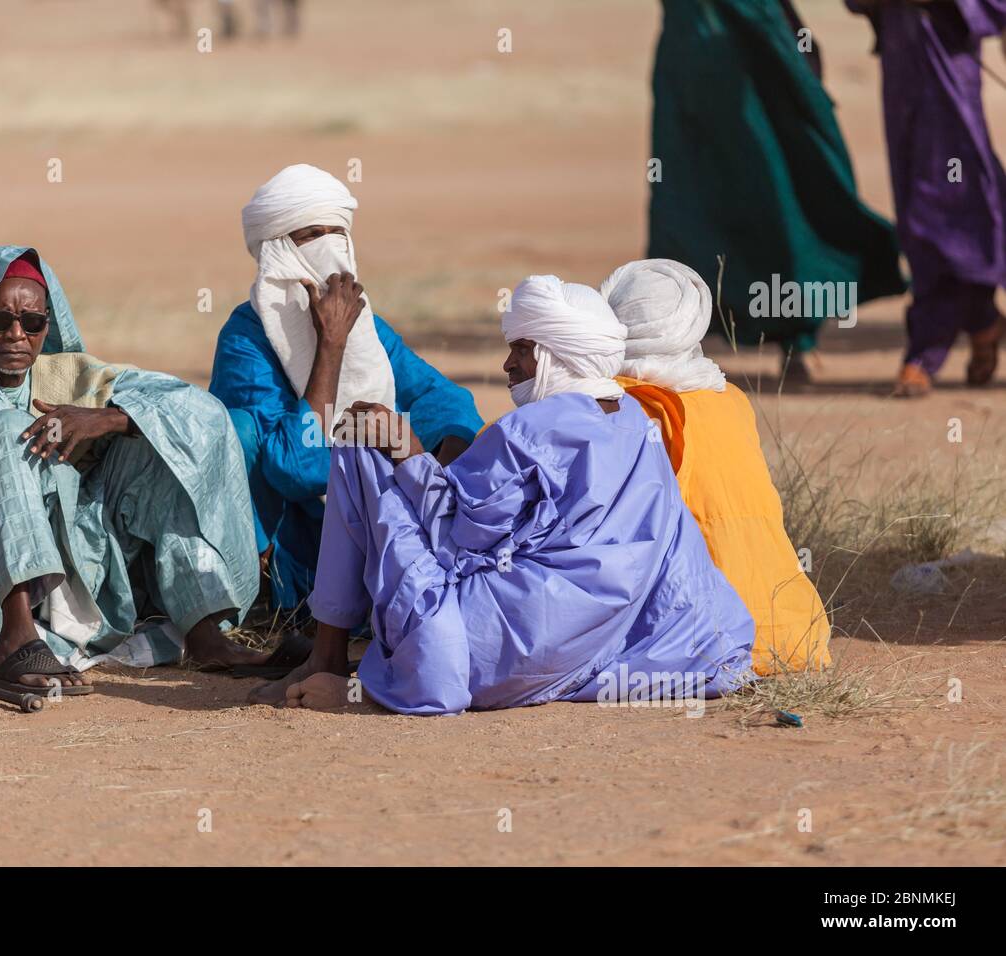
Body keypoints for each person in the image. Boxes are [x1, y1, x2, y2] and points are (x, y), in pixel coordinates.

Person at [249, 275, 755, 714]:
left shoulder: (532, 428)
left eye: (521, 349)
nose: (507, 364)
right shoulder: (637, 423)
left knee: (359, 447)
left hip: (496, 651)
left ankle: (328, 659)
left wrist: (405, 451)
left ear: (556, 353)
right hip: (588, 643)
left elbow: (457, 535)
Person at [0, 246, 269, 695]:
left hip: (77, 570)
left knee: (152, 433)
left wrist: (110, 419)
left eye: (32, 323)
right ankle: (16, 635)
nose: (16, 335)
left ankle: (203, 632)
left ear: (46, 326)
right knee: (9, 427)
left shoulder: (67, 377)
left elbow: (198, 411)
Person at [209, 164, 482, 611]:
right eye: (313, 235)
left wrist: (434, 476)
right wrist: (330, 345)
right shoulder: (246, 338)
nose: (331, 248)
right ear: (279, 249)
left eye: (339, 234)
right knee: (236, 428)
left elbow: (445, 401)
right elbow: (294, 468)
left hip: (365, 522)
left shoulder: (366, 327)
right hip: (291, 536)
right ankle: (257, 595)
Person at [648, 0, 906, 382]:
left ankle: (798, 339)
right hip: (691, 69)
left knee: (781, 197)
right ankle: (676, 338)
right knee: (687, 211)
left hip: (759, 59)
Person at [602, 258, 831, 674]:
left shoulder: (626, 406)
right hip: (798, 632)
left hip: (709, 637)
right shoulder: (730, 398)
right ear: (690, 324)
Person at [848, 0, 1006, 396]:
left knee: (954, 203)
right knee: (915, 205)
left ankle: (926, 351)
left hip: (950, 67)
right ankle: (982, 320)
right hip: (902, 67)